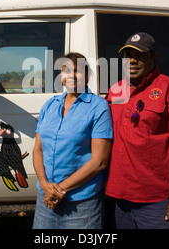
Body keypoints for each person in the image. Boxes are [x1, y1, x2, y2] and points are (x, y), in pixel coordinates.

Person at [105, 32, 169, 229]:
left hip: (156, 199)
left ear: (154, 58)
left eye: (140, 56)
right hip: (117, 198)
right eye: (128, 55)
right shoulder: (115, 91)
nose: (133, 61)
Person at [32, 52, 113, 229]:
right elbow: (37, 149)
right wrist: (45, 186)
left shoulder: (98, 107)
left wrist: (58, 189)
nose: (71, 75)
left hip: (81, 203)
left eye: (76, 71)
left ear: (87, 75)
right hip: (45, 198)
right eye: (65, 70)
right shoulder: (50, 105)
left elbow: (99, 162)